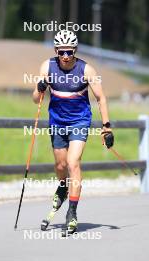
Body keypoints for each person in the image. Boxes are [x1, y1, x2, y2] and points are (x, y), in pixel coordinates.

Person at [32, 30, 114, 236]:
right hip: (57, 121)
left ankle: (72, 212)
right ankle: (62, 187)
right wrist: (40, 88)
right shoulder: (47, 66)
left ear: (75, 50)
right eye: (62, 52)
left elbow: (101, 98)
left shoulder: (87, 70)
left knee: (72, 163)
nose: (66, 56)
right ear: (56, 51)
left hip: (79, 121)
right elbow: (36, 99)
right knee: (60, 165)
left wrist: (107, 126)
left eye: (69, 52)